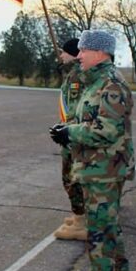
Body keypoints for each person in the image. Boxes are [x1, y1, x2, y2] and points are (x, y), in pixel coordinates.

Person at [49, 30, 135, 271]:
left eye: (84, 50)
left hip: (104, 170)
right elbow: (85, 117)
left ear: (99, 52)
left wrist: (70, 133)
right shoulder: (96, 81)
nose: (80, 55)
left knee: (99, 232)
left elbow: (107, 130)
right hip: (96, 167)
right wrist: (67, 129)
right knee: (110, 227)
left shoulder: (111, 84)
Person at [53, 38, 86, 241]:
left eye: (63, 52)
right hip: (71, 133)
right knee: (71, 178)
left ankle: (81, 222)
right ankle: (79, 216)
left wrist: (66, 131)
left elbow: (75, 109)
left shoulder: (76, 77)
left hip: (73, 136)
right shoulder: (73, 74)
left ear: (73, 54)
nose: (61, 55)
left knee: (72, 179)